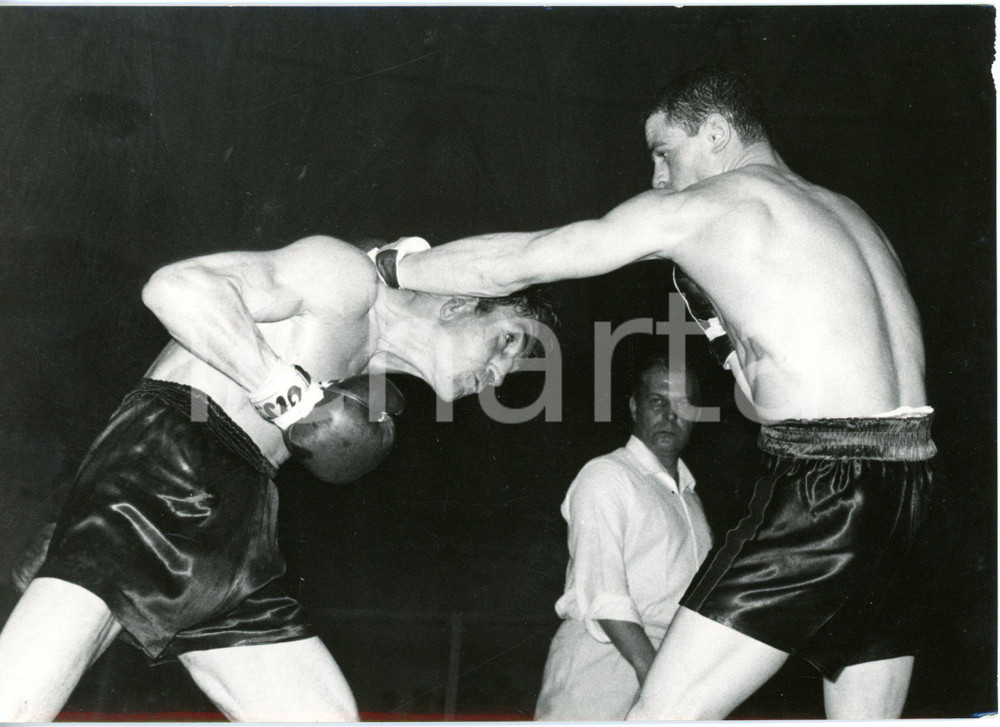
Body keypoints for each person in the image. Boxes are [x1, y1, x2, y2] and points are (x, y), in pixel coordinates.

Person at [372, 66, 936, 719]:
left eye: (665, 153)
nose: (658, 179)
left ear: (718, 133)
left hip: (824, 486)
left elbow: (530, 257)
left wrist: (393, 265)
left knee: (655, 717)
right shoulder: (850, 215)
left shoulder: (714, 207)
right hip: (912, 491)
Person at [0, 234, 556, 722]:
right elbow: (174, 287)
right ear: (459, 304)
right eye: (508, 340)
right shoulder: (343, 280)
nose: (503, 372)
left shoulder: (372, 369)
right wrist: (285, 395)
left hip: (237, 518)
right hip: (166, 469)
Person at [534, 355, 712, 721]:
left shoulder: (689, 496)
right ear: (634, 407)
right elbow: (604, 596)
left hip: (672, 670)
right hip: (607, 662)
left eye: (683, 404)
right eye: (657, 401)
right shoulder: (607, 476)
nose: (670, 414)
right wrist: (657, 683)